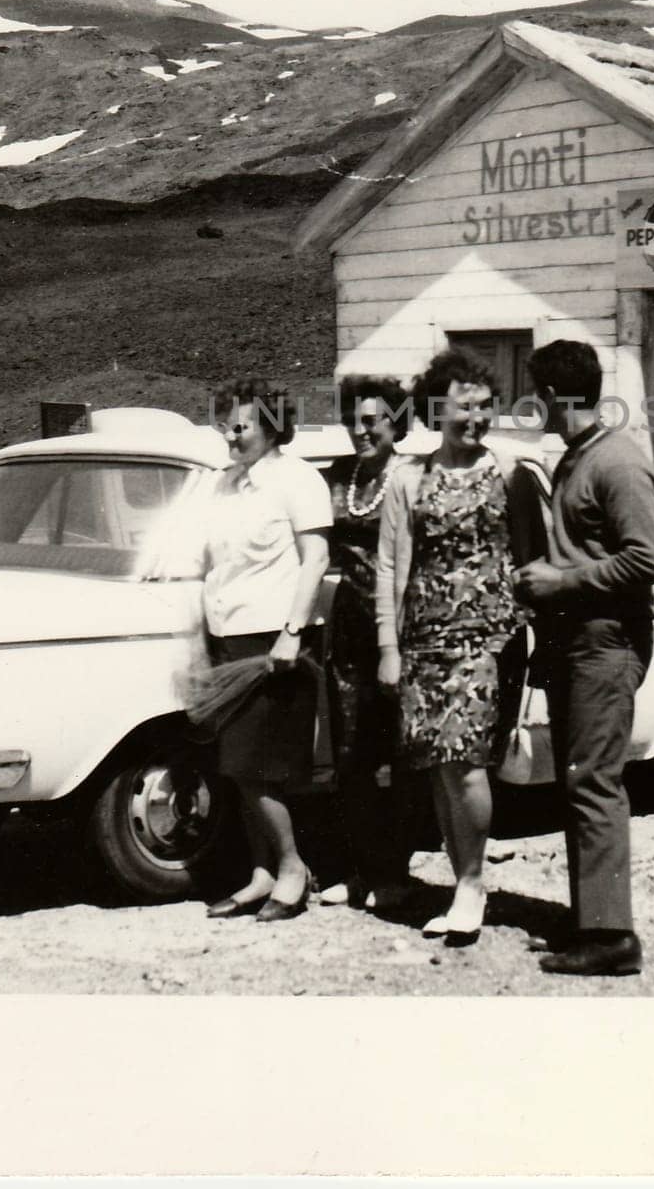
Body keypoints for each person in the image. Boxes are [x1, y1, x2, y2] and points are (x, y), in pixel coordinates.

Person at [376, 348, 545, 946]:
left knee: (467, 763)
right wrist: (388, 646)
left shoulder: (510, 473)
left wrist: (527, 635)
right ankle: (460, 882)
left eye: (483, 408)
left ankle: (473, 883)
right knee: (439, 768)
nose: (474, 420)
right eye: (461, 410)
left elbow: (531, 558)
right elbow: (392, 566)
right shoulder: (408, 478)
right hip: (424, 639)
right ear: (433, 413)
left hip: (487, 639)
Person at [514, 340, 654, 977]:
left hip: (608, 642)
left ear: (551, 397)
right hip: (576, 642)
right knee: (581, 780)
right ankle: (590, 920)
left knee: (594, 783)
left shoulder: (617, 462)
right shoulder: (578, 459)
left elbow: (648, 561)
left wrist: (559, 583)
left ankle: (611, 937)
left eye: (535, 398)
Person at [200, 378, 333, 922]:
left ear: (272, 426)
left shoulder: (297, 480)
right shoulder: (224, 485)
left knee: (256, 766)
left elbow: (317, 559)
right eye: (226, 423)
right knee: (236, 767)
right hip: (230, 636)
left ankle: (293, 869)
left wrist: (292, 631)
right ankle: (262, 874)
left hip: (276, 640)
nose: (231, 434)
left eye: (243, 424)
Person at [319, 375, 414, 911]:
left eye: (372, 420)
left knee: (400, 759)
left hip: (398, 631)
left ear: (395, 423)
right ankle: (358, 871)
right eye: (354, 419)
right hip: (348, 633)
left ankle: (395, 875)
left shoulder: (412, 477)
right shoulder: (337, 476)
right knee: (351, 756)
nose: (360, 430)